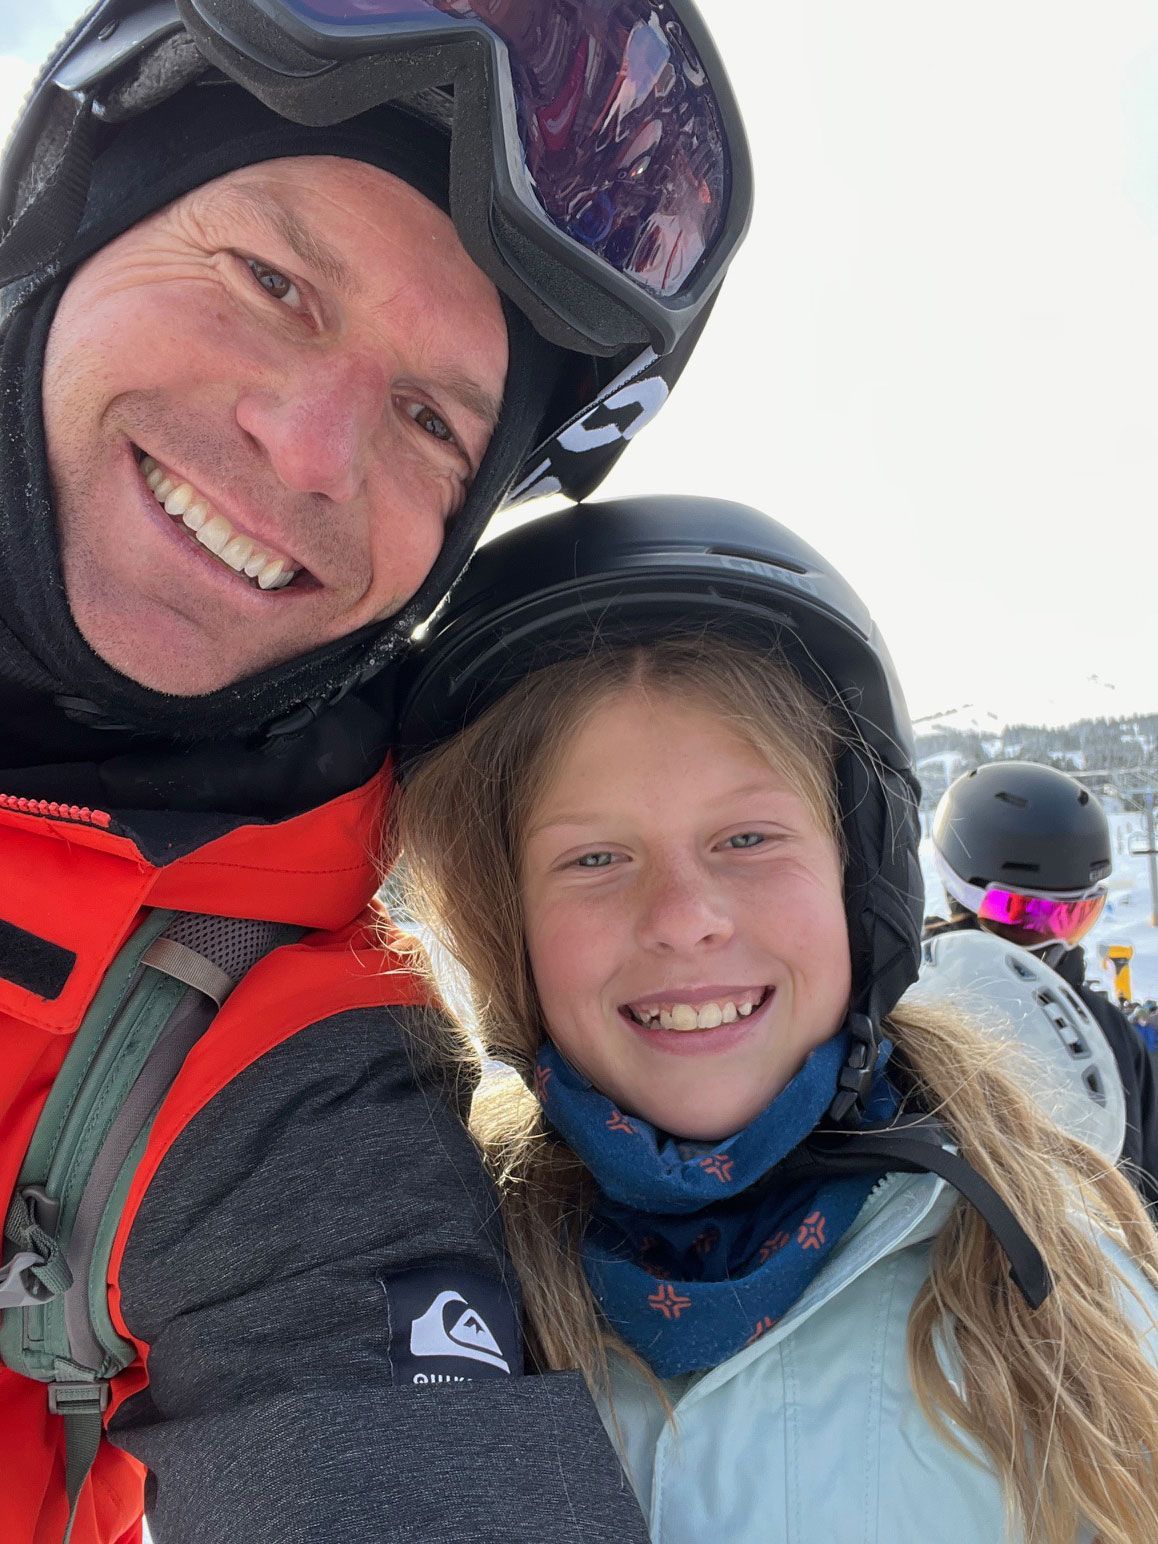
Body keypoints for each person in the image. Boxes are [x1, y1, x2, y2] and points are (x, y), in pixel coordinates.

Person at [0, 3, 751, 1541]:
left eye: (429, 421)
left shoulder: (275, 1055)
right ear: (64, 232)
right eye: (270, 281)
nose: (310, 449)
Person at [393, 495, 1158, 1544]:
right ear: (505, 926)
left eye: (748, 837)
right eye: (595, 857)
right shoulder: (429, 1292)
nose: (684, 918)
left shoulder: (1061, 1309)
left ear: (860, 878)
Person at [927, 762, 1158, 1209]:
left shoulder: (1109, 1034)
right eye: (1026, 916)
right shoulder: (911, 1014)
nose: (1053, 945)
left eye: (1075, 917)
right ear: (962, 893)